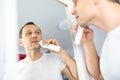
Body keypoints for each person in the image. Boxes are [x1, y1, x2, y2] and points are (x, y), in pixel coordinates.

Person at [4, 22, 78, 80]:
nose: (34, 35)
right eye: (29, 33)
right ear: (20, 42)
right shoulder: (12, 71)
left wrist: (60, 51)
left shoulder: (55, 58)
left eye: (37, 32)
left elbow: (78, 77)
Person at [71, 0, 120, 80]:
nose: (72, 11)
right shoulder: (110, 40)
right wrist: (88, 42)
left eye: (76, 2)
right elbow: (100, 75)